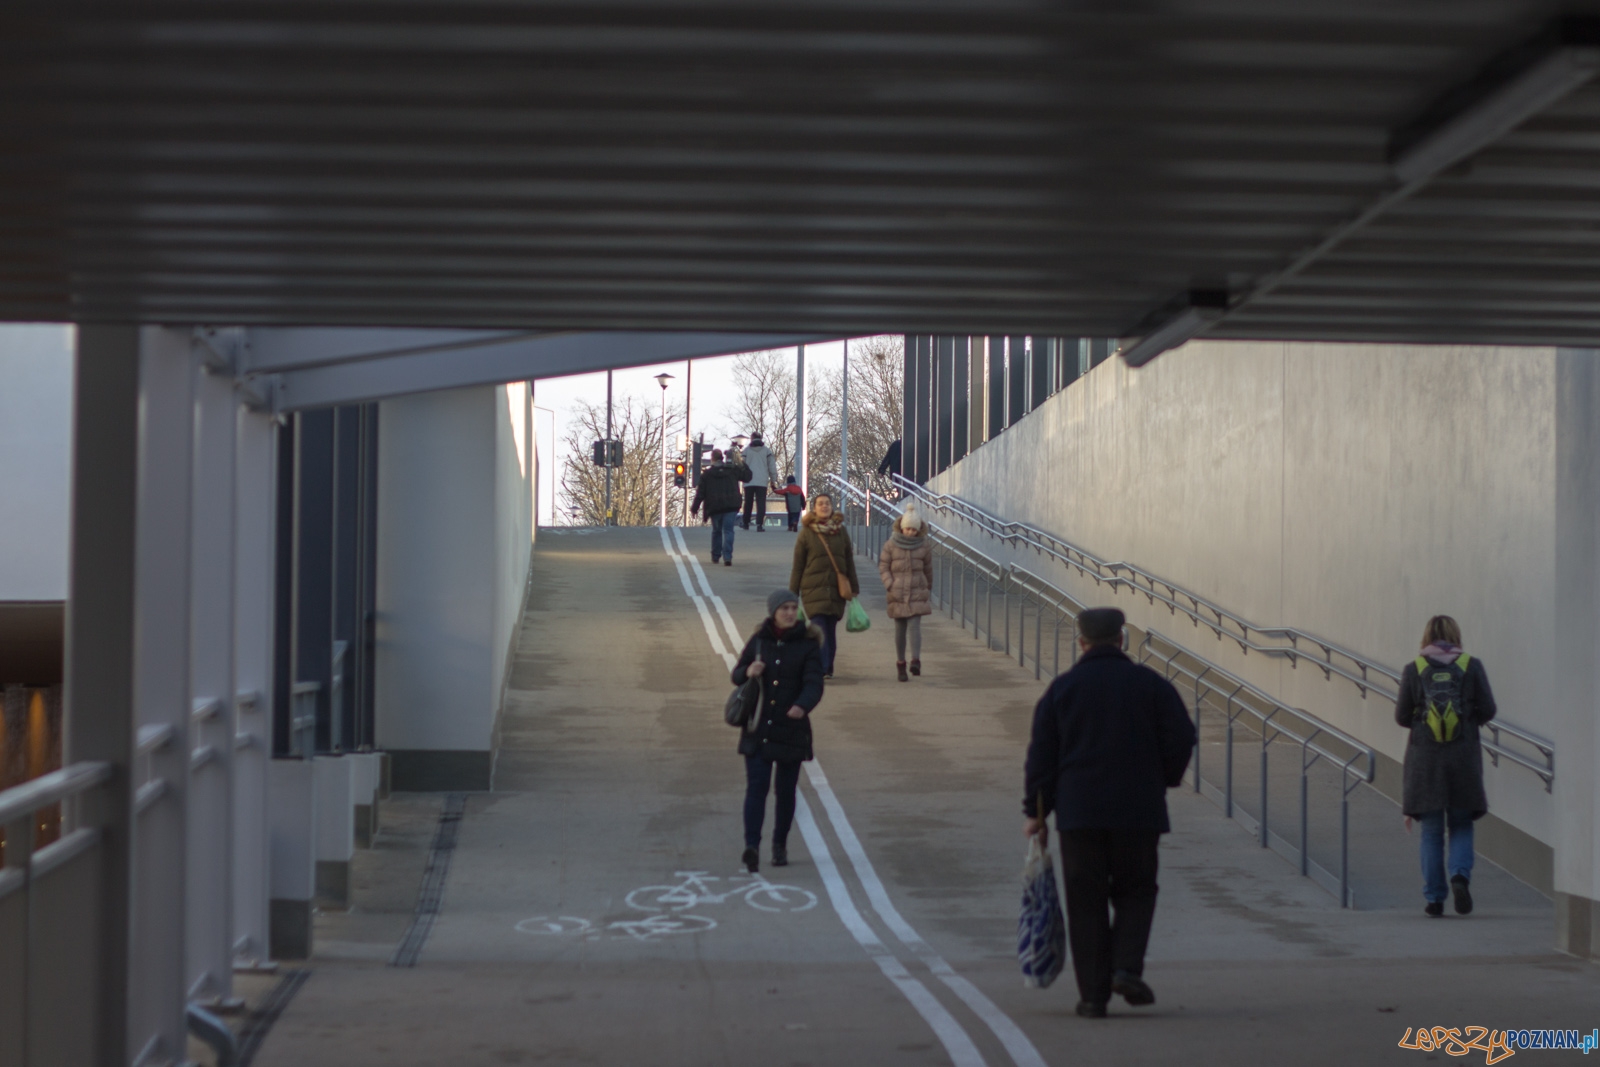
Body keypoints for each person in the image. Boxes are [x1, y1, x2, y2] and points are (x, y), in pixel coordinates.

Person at [1023, 607, 1196, 1019]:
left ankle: (1093, 998)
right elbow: (1181, 737)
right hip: (1139, 811)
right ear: (1122, 640)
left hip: (1080, 815)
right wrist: (1163, 779)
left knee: (1086, 902)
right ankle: (1125, 967)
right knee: (1137, 890)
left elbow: (1041, 757)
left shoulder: (1063, 690)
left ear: (1081, 643)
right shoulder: (1151, 686)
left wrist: (1036, 813)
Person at [1394, 614, 1497, 918]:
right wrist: (1467, 722)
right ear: (1455, 635)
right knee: (1462, 824)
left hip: (1426, 760)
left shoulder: (1415, 669)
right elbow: (1488, 709)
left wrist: (1421, 720)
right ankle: (1459, 877)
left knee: (1431, 832)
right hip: (1463, 758)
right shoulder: (1471, 665)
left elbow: (1401, 716)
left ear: (1426, 637)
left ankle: (1435, 899)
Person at [731, 589, 825, 872]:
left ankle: (779, 844)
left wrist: (802, 705)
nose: (788, 612)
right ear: (773, 611)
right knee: (756, 788)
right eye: (783, 608)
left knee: (785, 792)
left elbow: (814, 683)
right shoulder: (759, 640)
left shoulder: (808, 644)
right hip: (759, 727)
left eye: (792, 608)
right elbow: (736, 674)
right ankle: (752, 846)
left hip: (790, 729)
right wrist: (749, 671)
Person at [789, 492, 859, 678]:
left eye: (827, 503)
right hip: (813, 588)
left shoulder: (841, 531)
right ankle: (821, 666)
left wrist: (854, 587)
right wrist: (792, 593)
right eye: (820, 504)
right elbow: (798, 566)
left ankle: (827, 666)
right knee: (819, 628)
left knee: (830, 629)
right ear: (814, 508)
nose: (824, 506)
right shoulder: (806, 533)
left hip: (836, 590)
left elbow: (849, 560)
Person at [878, 503, 932, 682]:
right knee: (900, 629)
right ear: (902, 528)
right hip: (897, 591)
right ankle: (900, 663)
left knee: (915, 625)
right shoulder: (891, 544)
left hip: (916, 590)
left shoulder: (923, 545)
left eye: (913, 530)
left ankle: (915, 660)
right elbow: (884, 566)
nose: (910, 533)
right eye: (907, 529)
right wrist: (889, 583)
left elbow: (928, 569)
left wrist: (927, 588)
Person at [689, 447, 751, 567]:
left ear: (712, 459)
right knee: (728, 531)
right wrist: (741, 462)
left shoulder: (707, 474)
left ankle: (716, 556)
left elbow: (700, 493)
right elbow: (748, 477)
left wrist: (694, 508)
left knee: (717, 531)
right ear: (722, 458)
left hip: (715, 506)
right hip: (731, 505)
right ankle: (727, 557)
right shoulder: (732, 470)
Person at [741, 432, 782, 531]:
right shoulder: (767, 451)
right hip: (762, 481)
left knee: (748, 502)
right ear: (761, 438)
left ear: (752, 438)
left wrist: (741, 478)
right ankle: (760, 524)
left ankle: (746, 523)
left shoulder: (746, 451)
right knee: (761, 502)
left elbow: (741, 466)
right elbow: (772, 467)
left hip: (749, 481)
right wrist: (773, 480)